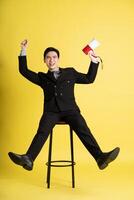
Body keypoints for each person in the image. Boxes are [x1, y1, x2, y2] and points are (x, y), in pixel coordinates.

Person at [8, 40, 120, 171]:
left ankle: (100, 158)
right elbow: (24, 70)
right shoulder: (42, 77)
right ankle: (28, 159)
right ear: (44, 60)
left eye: (54, 57)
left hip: (71, 111)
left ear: (58, 59)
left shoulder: (70, 73)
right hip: (51, 112)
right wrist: (23, 50)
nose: (51, 60)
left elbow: (89, 79)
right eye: (48, 58)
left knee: (83, 128)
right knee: (42, 131)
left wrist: (94, 61)